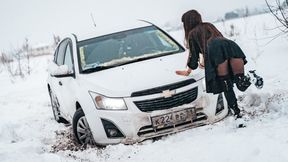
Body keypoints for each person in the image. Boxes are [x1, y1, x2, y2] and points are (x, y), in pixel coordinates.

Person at [176, 10, 254, 118]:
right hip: (230, 45)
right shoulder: (209, 25)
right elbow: (216, 40)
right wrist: (206, 60)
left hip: (216, 52)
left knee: (226, 84)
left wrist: (188, 70)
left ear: (187, 23)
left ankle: (237, 113)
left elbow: (194, 57)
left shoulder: (192, 34)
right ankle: (252, 77)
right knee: (241, 82)